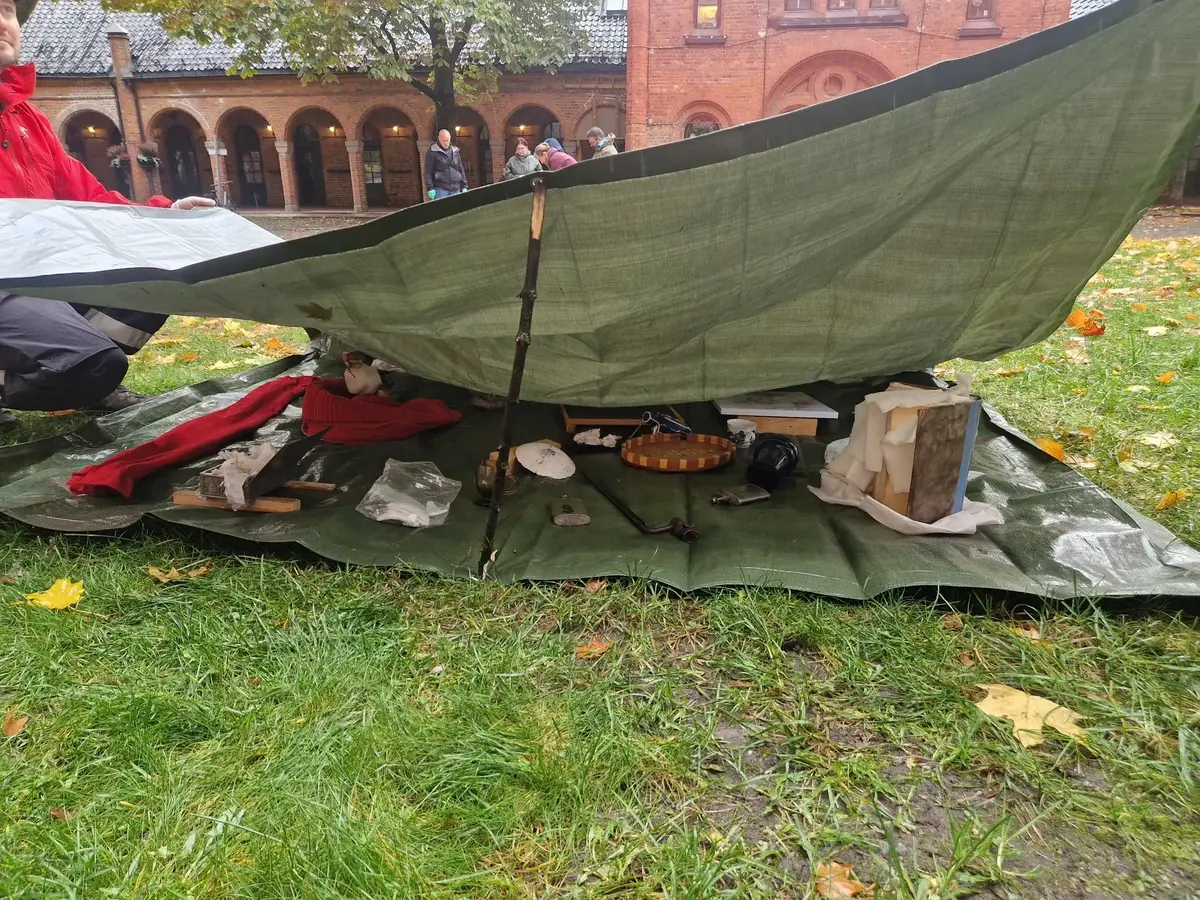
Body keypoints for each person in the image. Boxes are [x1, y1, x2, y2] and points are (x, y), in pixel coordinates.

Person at [0, 0, 216, 425]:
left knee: (161, 275)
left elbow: (90, 197)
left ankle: (79, 367)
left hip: (40, 274)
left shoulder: (27, 119)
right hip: (7, 284)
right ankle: (71, 368)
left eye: (6, 9)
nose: (1, 22)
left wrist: (168, 216)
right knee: (96, 365)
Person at [424, 129, 468, 199]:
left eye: (447, 140)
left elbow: (460, 169)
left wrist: (464, 185)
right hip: (440, 189)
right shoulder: (432, 152)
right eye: (443, 141)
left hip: (456, 188)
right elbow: (427, 172)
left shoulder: (455, 151)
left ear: (450, 138)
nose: (446, 143)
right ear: (439, 139)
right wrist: (430, 188)